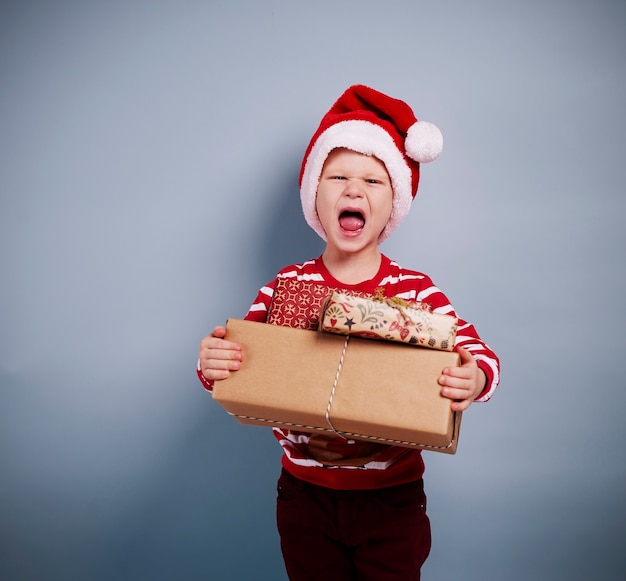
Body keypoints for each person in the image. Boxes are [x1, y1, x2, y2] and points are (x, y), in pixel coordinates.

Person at [197, 85, 500, 580]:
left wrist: (476, 378)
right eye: (337, 176)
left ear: (394, 203)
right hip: (305, 496)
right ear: (315, 194)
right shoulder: (287, 288)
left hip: (392, 499)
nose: (353, 191)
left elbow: (477, 352)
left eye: (373, 182)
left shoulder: (415, 291)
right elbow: (237, 362)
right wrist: (215, 365)